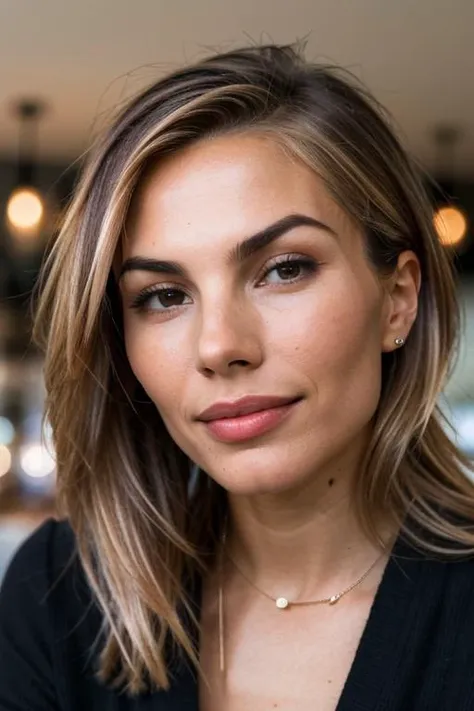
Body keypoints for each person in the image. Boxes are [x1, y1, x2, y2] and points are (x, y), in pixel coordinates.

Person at [1, 43, 474, 711]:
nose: (221, 345)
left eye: (283, 269)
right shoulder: (60, 600)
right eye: (164, 295)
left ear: (397, 299)